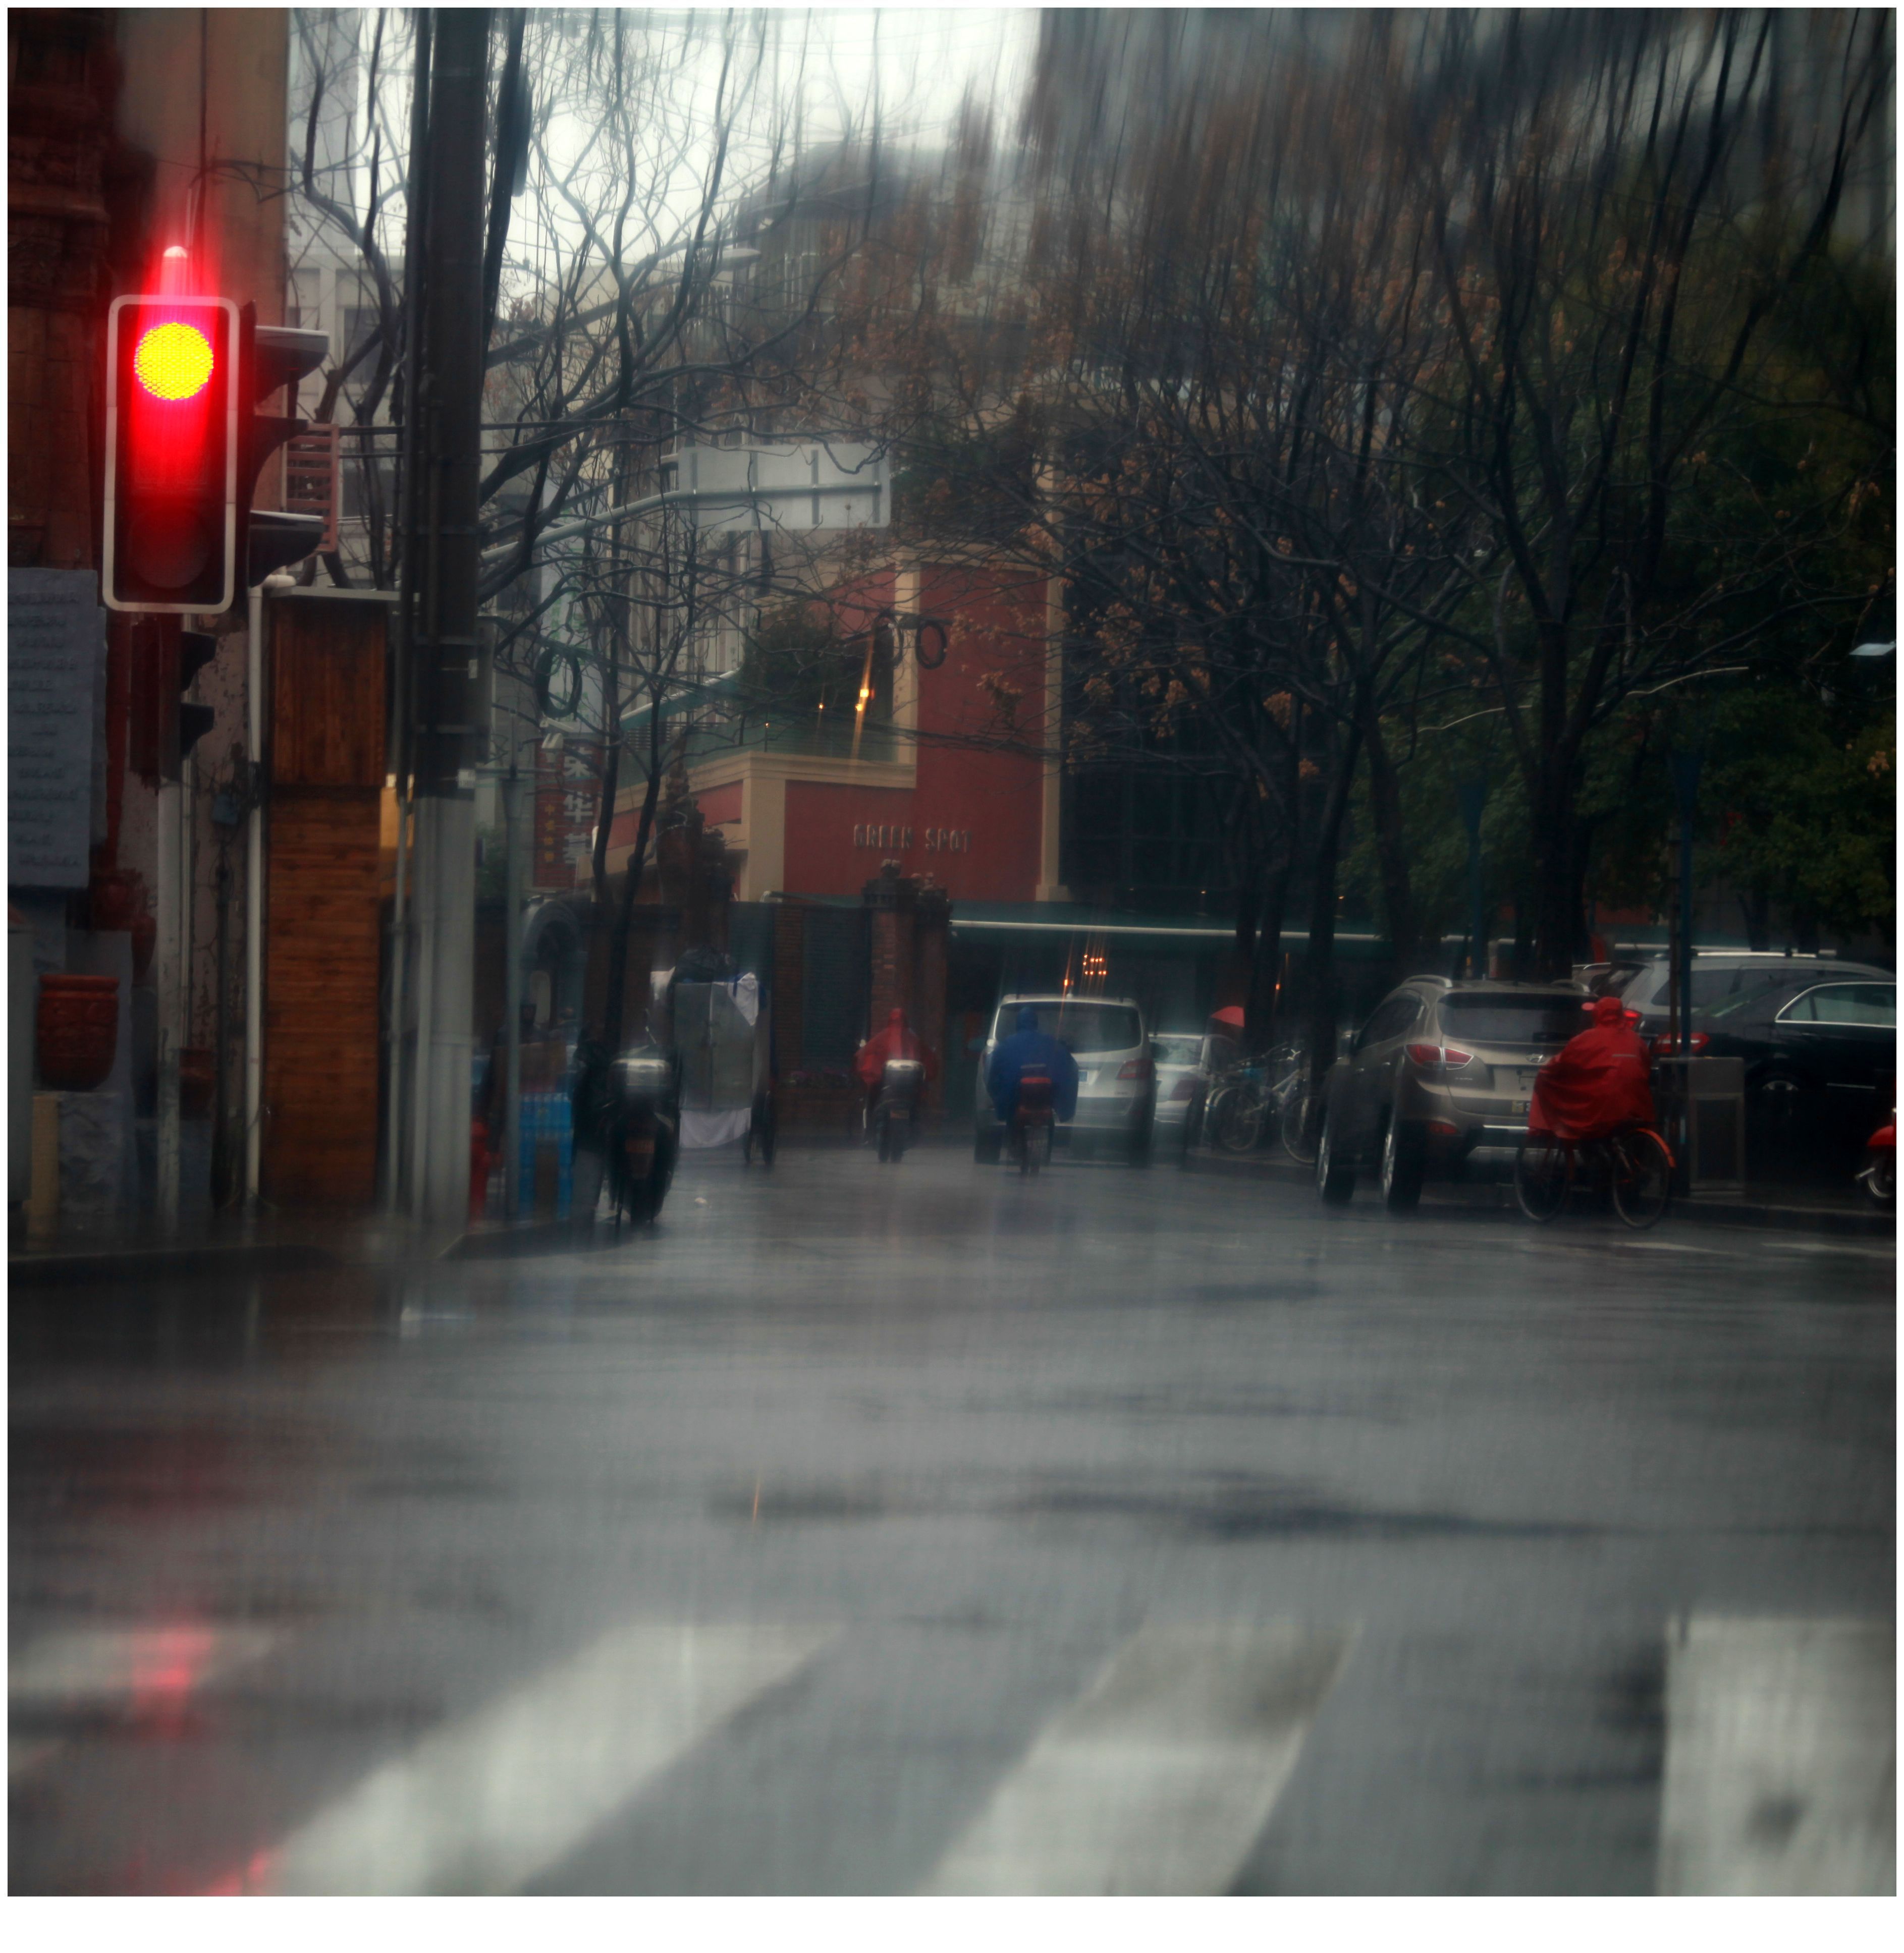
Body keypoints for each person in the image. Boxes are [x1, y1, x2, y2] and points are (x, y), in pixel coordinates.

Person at [1529, 994, 1655, 1142]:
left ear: (1598, 1014)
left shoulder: (1587, 1039)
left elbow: (1562, 1062)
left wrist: (1544, 1073)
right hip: (1638, 1104)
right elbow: (1646, 1066)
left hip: (1602, 1107)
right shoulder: (1636, 1040)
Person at [986, 1005, 1081, 1129]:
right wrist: (1065, 1108)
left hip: (1015, 1103)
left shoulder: (1006, 1045)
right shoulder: (1051, 1043)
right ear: (1036, 1023)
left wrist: (1001, 1105)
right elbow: (1072, 1069)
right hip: (1045, 1101)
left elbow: (990, 1072)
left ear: (1018, 1024)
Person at [853, 1008, 937, 1134]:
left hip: (887, 1086)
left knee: (871, 1098)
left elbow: (867, 1052)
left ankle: (869, 1131)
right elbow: (928, 1056)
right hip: (909, 1088)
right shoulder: (912, 1037)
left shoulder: (884, 1036)